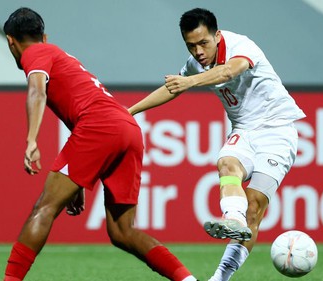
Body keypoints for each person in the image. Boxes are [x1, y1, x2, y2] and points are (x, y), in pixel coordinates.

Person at [2, 7, 198, 281]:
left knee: (44, 208)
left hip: (100, 126)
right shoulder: (58, 54)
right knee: (122, 231)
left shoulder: (35, 53)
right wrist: (79, 182)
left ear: (11, 41)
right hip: (126, 126)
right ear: (43, 35)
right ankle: (188, 280)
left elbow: (37, 90)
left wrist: (31, 139)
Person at [128, 8, 306, 281]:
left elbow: (228, 71)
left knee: (255, 207)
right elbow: (171, 88)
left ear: (217, 35)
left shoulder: (241, 45)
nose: (198, 51)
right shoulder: (195, 64)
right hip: (244, 130)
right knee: (226, 163)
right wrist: (130, 111)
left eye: (203, 43)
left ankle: (220, 278)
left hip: (278, 130)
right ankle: (233, 218)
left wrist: (189, 81)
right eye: (191, 45)